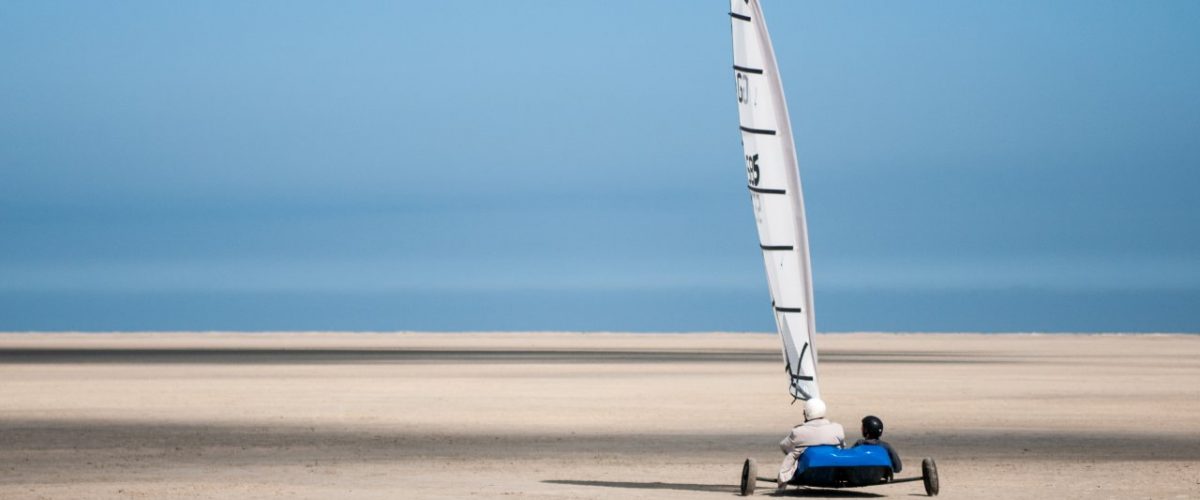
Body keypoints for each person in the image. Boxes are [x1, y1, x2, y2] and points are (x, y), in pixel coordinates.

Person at [777, 398, 845, 488]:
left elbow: (784, 445)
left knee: (793, 454)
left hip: (806, 468)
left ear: (807, 413)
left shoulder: (798, 431)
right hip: (833, 466)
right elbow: (843, 445)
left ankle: (783, 480)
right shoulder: (837, 428)